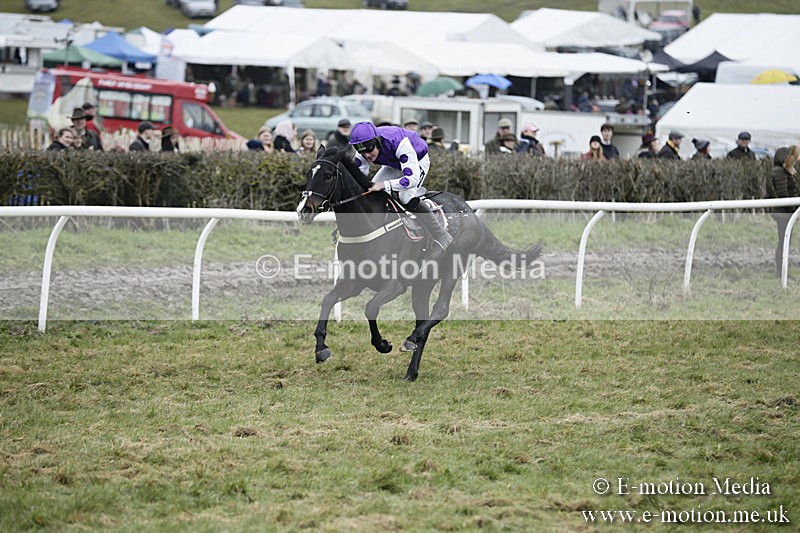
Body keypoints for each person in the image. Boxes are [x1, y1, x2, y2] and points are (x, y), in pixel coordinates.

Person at [349, 121, 452, 259]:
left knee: (405, 197)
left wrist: (385, 185)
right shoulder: (364, 145)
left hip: (416, 162)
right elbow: (358, 177)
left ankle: (441, 234)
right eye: (362, 152)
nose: (367, 155)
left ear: (377, 141)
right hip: (393, 165)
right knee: (371, 193)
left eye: (369, 150)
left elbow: (411, 179)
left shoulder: (398, 142)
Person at [770, 145, 799, 275]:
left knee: (785, 241)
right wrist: (795, 210)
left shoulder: (784, 171)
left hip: (785, 212)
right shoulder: (779, 172)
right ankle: (781, 272)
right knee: (783, 242)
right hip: (783, 213)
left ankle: (783, 271)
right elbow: (783, 194)